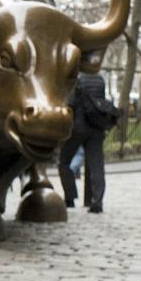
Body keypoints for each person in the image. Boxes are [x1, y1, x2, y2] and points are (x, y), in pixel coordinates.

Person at [58, 70, 116, 214]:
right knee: (96, 165)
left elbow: (70, 103)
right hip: (96, 128)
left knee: (63, 162)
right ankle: (96, 201)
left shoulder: (78, 80)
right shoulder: (100, 80)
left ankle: (70, 198)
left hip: (77, 128)